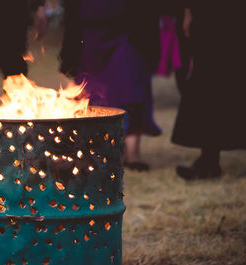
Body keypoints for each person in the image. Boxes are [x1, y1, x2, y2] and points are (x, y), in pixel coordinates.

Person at [59, 0, 162, 171]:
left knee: (130, 90)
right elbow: (71, 12)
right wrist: (69, 54)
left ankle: (132, 151)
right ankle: (99, 151)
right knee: (91, 96)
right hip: (90, 36)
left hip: (128, 31)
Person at [172, 5, 246, 180]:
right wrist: (188, 11)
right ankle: (209, 161)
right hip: (210, 16)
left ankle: (209, 161)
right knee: (209, 87)